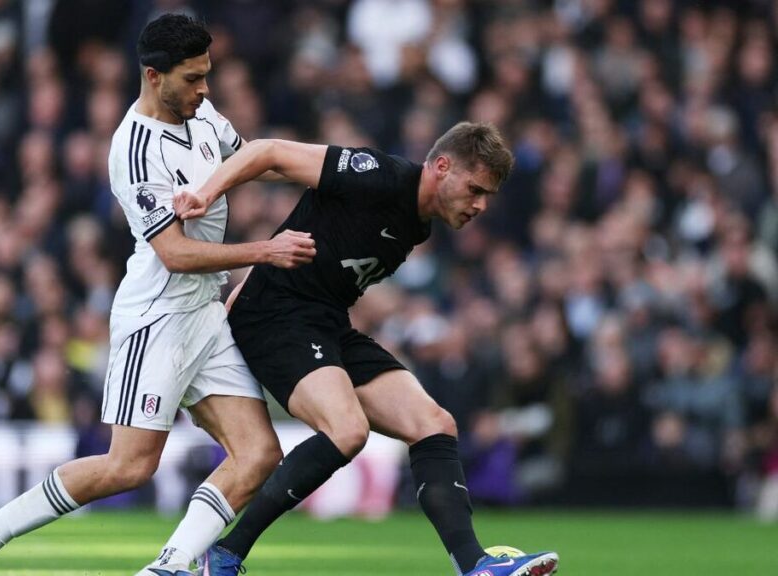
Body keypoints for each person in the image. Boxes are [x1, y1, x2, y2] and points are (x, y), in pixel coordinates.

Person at [0, 14, 316, 576]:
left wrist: (334, 173)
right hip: (157, 315)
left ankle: (169, 566)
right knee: (129, 466)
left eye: (207, 75)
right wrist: (265, 251)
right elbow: (175, 253)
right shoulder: (133, 148)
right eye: (193, 78)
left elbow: (251, 157)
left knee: (258, 454)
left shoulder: (203, 113)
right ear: (154, 76)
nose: (205, 89)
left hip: (206, 314)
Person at [174, 123, 559, 576]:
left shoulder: (419, 227)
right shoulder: (377, 174)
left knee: (434, 424)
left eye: (487, 196)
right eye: (475, 189)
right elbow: (270, 151)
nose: (480, 205)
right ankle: (224, 555)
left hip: (326, 322)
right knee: (347, 429)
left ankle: (476, 566)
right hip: (276, 318)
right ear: (441, 167)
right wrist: (204, 193)